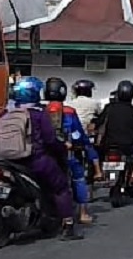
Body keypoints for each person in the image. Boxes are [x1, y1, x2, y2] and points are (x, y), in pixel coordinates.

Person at [1, 77, 81, 240]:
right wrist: (62, 148)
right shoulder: (38, 114)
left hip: (7, 161)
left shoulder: (8, 112)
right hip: (35, 160)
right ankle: (68, 225)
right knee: (60, 187)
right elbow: (50, 139)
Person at [44, 77, 103, 224]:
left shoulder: (41, 110)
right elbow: (79, 134)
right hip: (68, 153)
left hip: (45, 154)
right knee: (78, 177)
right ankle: (83, 213)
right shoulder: (69, 111)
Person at [98, 81, 133, 182]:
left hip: (108, 145)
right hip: (128, 147)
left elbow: (99, 122)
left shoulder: (109, 108)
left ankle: (99, 171)